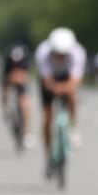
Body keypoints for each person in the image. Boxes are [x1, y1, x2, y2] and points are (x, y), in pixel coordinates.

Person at [34, 27, 87, 172]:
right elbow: (47, 80)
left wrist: (65, 88)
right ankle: (48, 156)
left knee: (72, 96)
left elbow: (75, 80)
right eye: (57, 54)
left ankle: (73, 127)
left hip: (67, 77)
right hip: (50, 78)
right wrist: (54, 88)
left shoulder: (78, 53)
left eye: (63, 55)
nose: (60, 58)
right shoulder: (42, 52)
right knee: (48, 117)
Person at [0, 43, 35, 148]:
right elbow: (5, 79)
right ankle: (5, 109)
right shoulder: (7, 62)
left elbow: (26, 76)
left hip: (21, 84)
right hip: (9, 78)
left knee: (24, 103)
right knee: (4, 91)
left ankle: (27, 130)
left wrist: (19, 77)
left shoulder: (25, 61)